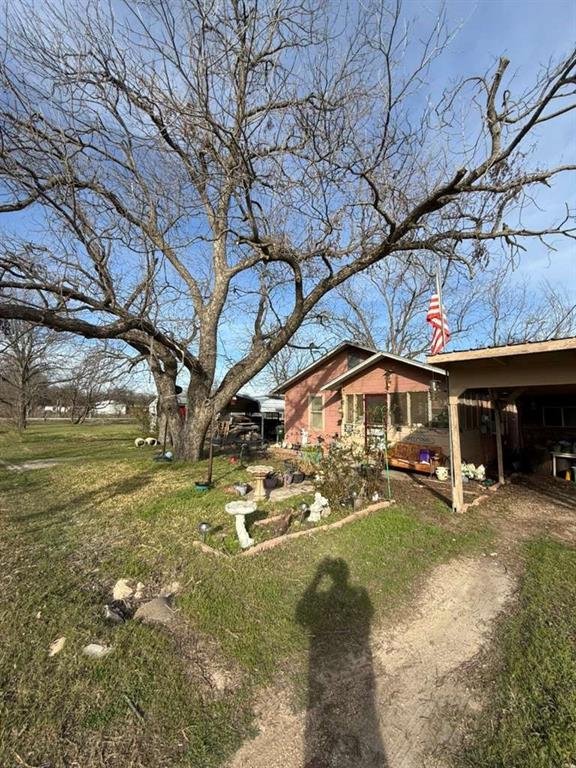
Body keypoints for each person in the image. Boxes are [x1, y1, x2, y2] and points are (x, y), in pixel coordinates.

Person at [296, 558, 387, 768]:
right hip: (348, 658)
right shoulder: (359, 595)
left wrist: (316, 579)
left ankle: (342, 739)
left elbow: (301, 615)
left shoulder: (350, 596)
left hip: (332, 659)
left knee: (337, 708)